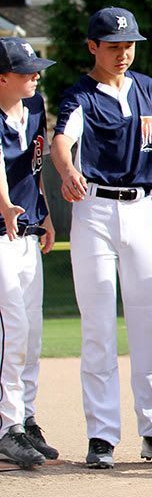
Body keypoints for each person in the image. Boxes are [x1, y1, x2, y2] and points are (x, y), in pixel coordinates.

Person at [50, 7, 152, 469]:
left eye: (129, 45)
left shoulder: (147, 89)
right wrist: (68, 171)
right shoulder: (80, 95)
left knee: (149, 325)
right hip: (94, 211)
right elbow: (61, 142)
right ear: (93, 47)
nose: (123, 53)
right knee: (99, 328)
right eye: (113, 45)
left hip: (141, 210)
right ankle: (102, 436)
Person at [0, 37, 58, 469]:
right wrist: (4, 203)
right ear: (2, 77)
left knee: (32, 335)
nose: (35, 75)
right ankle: (8, 428)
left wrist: (47, 214)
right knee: (12, 332)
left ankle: (27, 417)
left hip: (27, 232)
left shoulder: (35, 109)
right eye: (25, 71)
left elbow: (36, 167)